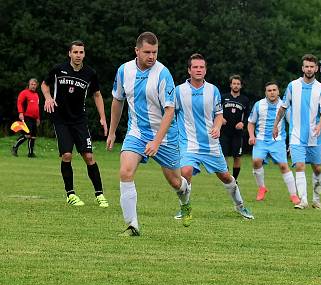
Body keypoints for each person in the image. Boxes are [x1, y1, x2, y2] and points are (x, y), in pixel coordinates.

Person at [106, 32, 192, 236]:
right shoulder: (124, 71)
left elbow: (170, 110)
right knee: (125, 172)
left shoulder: (163, 74)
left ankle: (186, 196)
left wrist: (156, 141)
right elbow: (118, 101)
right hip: (136, 132)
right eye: (147, 52)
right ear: (137, 51)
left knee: (174, 182)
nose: (152, 56)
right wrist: (111, 132)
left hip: (165, 135)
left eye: (155, 52)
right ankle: (132, 225)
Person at [173, 54, 253, 220]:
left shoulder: (213, 90)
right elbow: (171, 114)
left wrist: (217, 127)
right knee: (185, 171)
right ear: (189, 70)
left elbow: (218, 114)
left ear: (205, 70)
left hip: (210, 143)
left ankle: (240, 206)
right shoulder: (179, 91)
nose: (198, 70)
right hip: (189, 142)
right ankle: (185, 207)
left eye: (201, 67)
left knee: (225, 176)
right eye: (195, 67)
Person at [40, 40, 109, 207]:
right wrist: (48, 98)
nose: (78, 55)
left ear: (84, 54)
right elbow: (44, 84)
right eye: (75, 52)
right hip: (61, 119)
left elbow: (97, 95)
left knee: (89, 156)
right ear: (69, 53)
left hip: (79, 120)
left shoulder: (90, 73)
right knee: (67, 155)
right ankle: (70, 194)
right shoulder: (59, 69)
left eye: (81, 52)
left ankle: (99, 195)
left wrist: (103, 117)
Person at [273, 54, 321, 210]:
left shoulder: (320, 88)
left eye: (312, 66)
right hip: (296, 135)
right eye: (306, 66)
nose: (309, 69)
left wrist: (319, 125)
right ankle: (303, 200)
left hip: (314, 136)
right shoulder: (293, 86)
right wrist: (276, 125)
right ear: (302, 68)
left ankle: (316, 199)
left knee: (317, 168)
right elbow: (284, 107)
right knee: (299, 165)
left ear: (316, 68)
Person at [248, 81, 300, 205]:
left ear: (278, 92)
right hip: (260, 140)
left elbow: (292, 124)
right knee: (256, 161)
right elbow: (251, 122)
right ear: (265, 93)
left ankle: (294, 195)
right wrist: (251, 136)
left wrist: (293, 141)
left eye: (274, 90)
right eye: (269, 90)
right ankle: (261, 188)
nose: (272, 92)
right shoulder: (258, 105)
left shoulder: (284, 106)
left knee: (283, 166)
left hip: (278, 141)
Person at [220, 75, 250, 180]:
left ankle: (235, 180)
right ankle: (227, 179)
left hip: (237, 133)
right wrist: (220, 119)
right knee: (224, 157)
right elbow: (216, 111)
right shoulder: (223, 97)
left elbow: (248, 115)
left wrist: (243, 123)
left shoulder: (245, 100)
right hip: (224, 132)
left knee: (237, 156)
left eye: (238, 84)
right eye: (234, 83)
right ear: (230, 85)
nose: (236, 86)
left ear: (241, 86)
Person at [11, 78, 40, 157]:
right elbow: (19, 103)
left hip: (34, 118)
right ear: (29, 85)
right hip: (27, 117)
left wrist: (38, 118)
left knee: (33, 136)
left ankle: (30, 153)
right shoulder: (24, 93)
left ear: (37, 86)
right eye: (32, 84)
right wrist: (20, 113)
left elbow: (37, 107)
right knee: (27, 134)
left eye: (35, 84)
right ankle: (14, 147)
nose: (33, 86)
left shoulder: (36, 95)